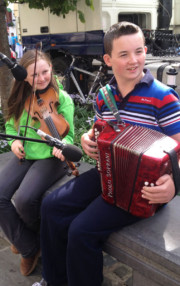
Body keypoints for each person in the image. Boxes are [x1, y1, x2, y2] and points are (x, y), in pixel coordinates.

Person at [33, 22, 180, 286]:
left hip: (145, 190)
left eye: (138, 51)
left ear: (146, 50)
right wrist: (87, 138)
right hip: (109, 173)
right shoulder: (104, 96)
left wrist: (174, 184)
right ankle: (54, 279)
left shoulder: (163, 98)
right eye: (123, 54)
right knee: (51, 205)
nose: (133, 60)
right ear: (108, 60)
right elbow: (99, 131)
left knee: (81, 231)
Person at [0, 49, 74, 277]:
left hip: (52, 158)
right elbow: (11, 126)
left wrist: (62, 146)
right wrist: (13, 142)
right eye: (34, 75)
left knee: (24, 199)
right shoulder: (20, 96)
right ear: (23, 76)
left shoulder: (62, 99)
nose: (41, 78)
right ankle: (29, 245)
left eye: (45, 72)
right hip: (26, 155)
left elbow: (69, 135)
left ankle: (25, 243)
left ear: (51, 69)